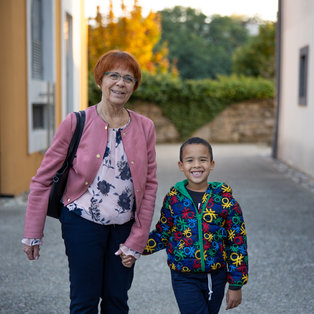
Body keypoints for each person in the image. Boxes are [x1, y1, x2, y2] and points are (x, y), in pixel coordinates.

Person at [22, 50, 158, 313]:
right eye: (114, 75)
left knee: (117, 301)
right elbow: (42, 180)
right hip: (81, 223)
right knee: (84, 301)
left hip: (124, 228)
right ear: (100, 80)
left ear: (134, 87)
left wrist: (138, 238)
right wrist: (32, 233)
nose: (121, 83)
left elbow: (150, 185)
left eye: (129, 79)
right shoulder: (76, 122)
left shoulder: (145, 127)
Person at [123, 137, 248, 313]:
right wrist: (135, 247)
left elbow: (237, 243)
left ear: (211, 164)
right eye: (190, 160)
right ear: (181, 166)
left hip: (216, 276)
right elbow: (162, 234)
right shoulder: (173, 199)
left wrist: (236, 284)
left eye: (202, 160)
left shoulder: (226, 202)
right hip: (183, 277)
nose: (196, 165)